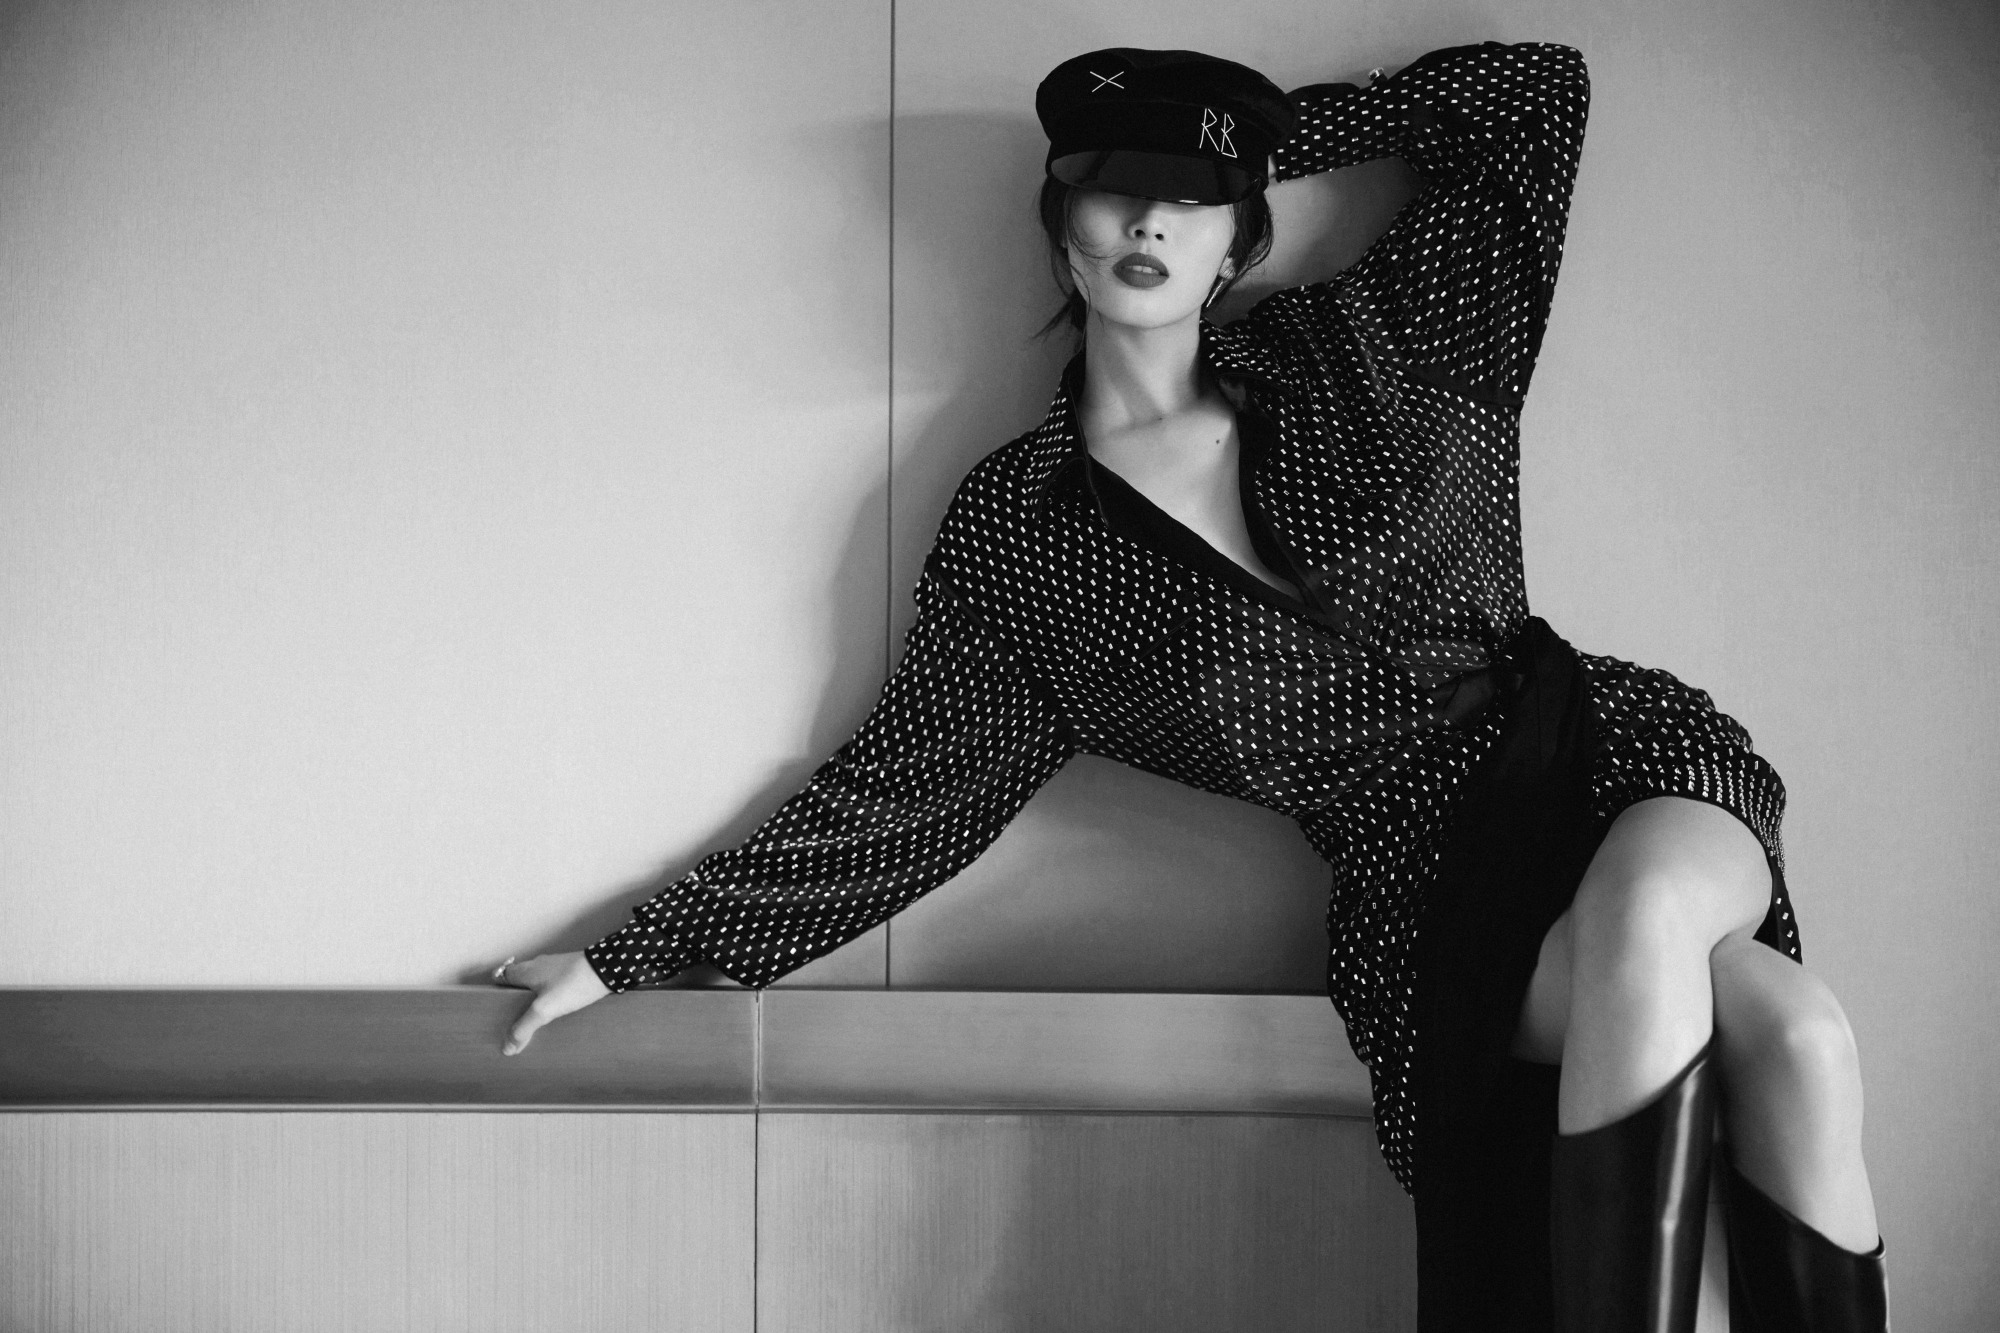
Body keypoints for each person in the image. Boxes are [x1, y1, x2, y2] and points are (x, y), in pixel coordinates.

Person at [493, 42, 1887, 1331]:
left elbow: (1534, 100)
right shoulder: (1028, 535)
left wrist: (1267, 135)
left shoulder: (1373, 350)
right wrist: (631, 951)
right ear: (1061, 223)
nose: (1151, 223)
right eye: (1116, 188)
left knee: (1651, 914)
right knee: (1795, 1037)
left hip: (1611, 756)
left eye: (1194, 196)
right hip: (1430, 889)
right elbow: (908, 793)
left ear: (1240, 235)